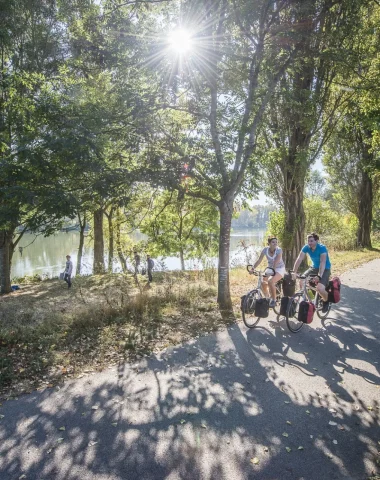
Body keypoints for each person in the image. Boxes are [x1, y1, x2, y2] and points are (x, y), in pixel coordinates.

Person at [292, 232, 331, 312]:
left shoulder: (322, 248)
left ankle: (326, 301)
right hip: (314, 267)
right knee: (302, 280)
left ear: (317, 241)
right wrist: (294, 272)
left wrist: (319, 276)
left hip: (325, 268)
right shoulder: (306, 247)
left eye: (311, 241)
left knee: (320, 289)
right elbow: (299, 259)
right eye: (308, 241)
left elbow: (322, 262)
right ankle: (308, 300)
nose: (309, 243)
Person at [250, 236, 286, 307]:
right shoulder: (265, 250)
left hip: (279, 268)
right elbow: (259, 260)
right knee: (262, 282)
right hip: (270, 268)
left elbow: (276, 261)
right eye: (273, 242)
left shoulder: (279, 250)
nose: (275, 243)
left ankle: (274, 300)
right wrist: (253, 268)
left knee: (270, 281)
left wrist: (272, 272)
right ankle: (267, 297)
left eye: (276, 242)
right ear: (268, 243)